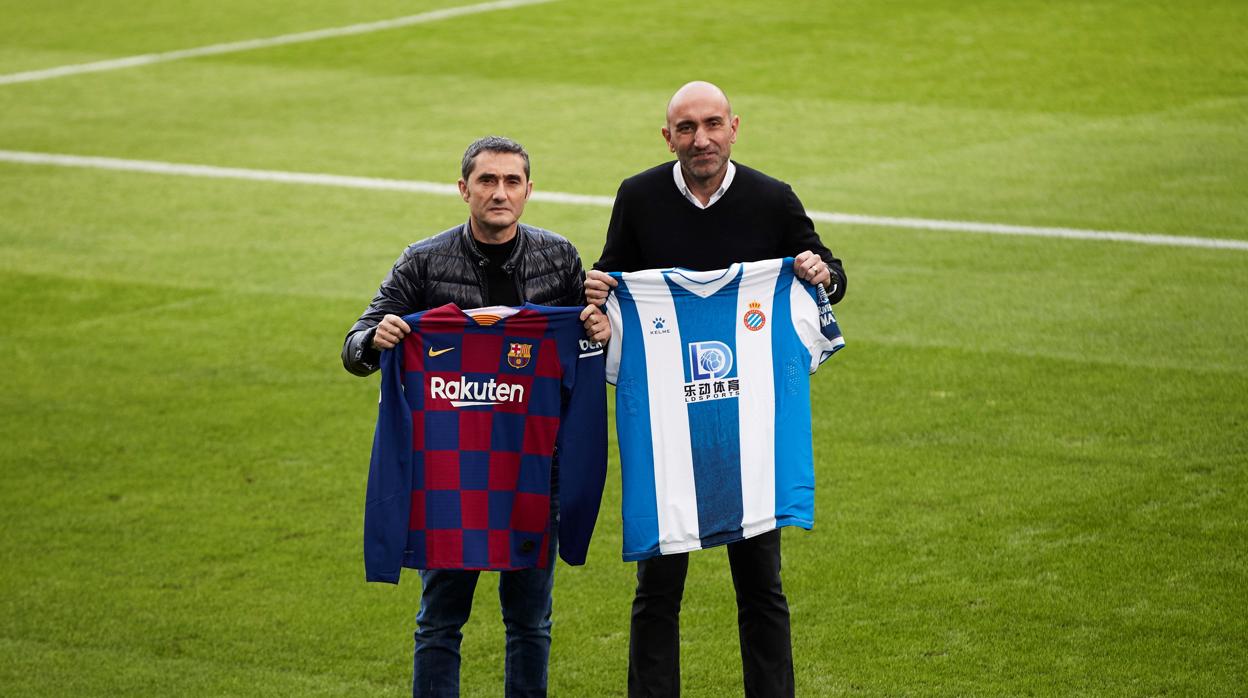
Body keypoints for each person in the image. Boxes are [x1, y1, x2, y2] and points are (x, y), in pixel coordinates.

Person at [584, 81, 847, 698]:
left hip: (748, 431)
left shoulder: (772, 199)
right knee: (657, 589)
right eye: (685, 128)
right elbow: (611, 278)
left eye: (711, 125)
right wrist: (595, 302)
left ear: (734, 127)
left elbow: (831, 277)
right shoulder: (639, 197)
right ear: (667, 136)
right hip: (669, 428)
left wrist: (820, 274)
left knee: (761, 586)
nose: (699, 139)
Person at [343, 135, 611, 697]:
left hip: (535, 468)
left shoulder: (559, 257)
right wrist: (375, 338)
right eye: (487, 181)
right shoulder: (422, 262)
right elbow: (354, 346)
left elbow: (582, 348)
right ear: (463, 189)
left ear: (529, 191)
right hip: (451, 473)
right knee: (440, 621)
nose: (500, 193)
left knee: (530, 621)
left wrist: (597, 332)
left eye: (512, 181)